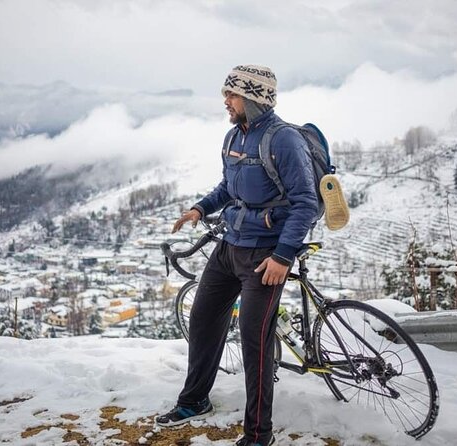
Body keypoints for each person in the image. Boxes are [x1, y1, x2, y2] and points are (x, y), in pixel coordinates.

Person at [156, 65, 318, 446]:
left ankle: (258, 436)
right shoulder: (234, 136)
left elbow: (306, 203)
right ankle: (194, 400)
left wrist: (282, 256)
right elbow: (227, 188)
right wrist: (199, 208)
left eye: (231, 96)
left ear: (254, 99)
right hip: (230, 246)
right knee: (202, 319)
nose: (225, 102)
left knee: (254, 342)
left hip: (266, 255)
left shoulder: (284, 141)